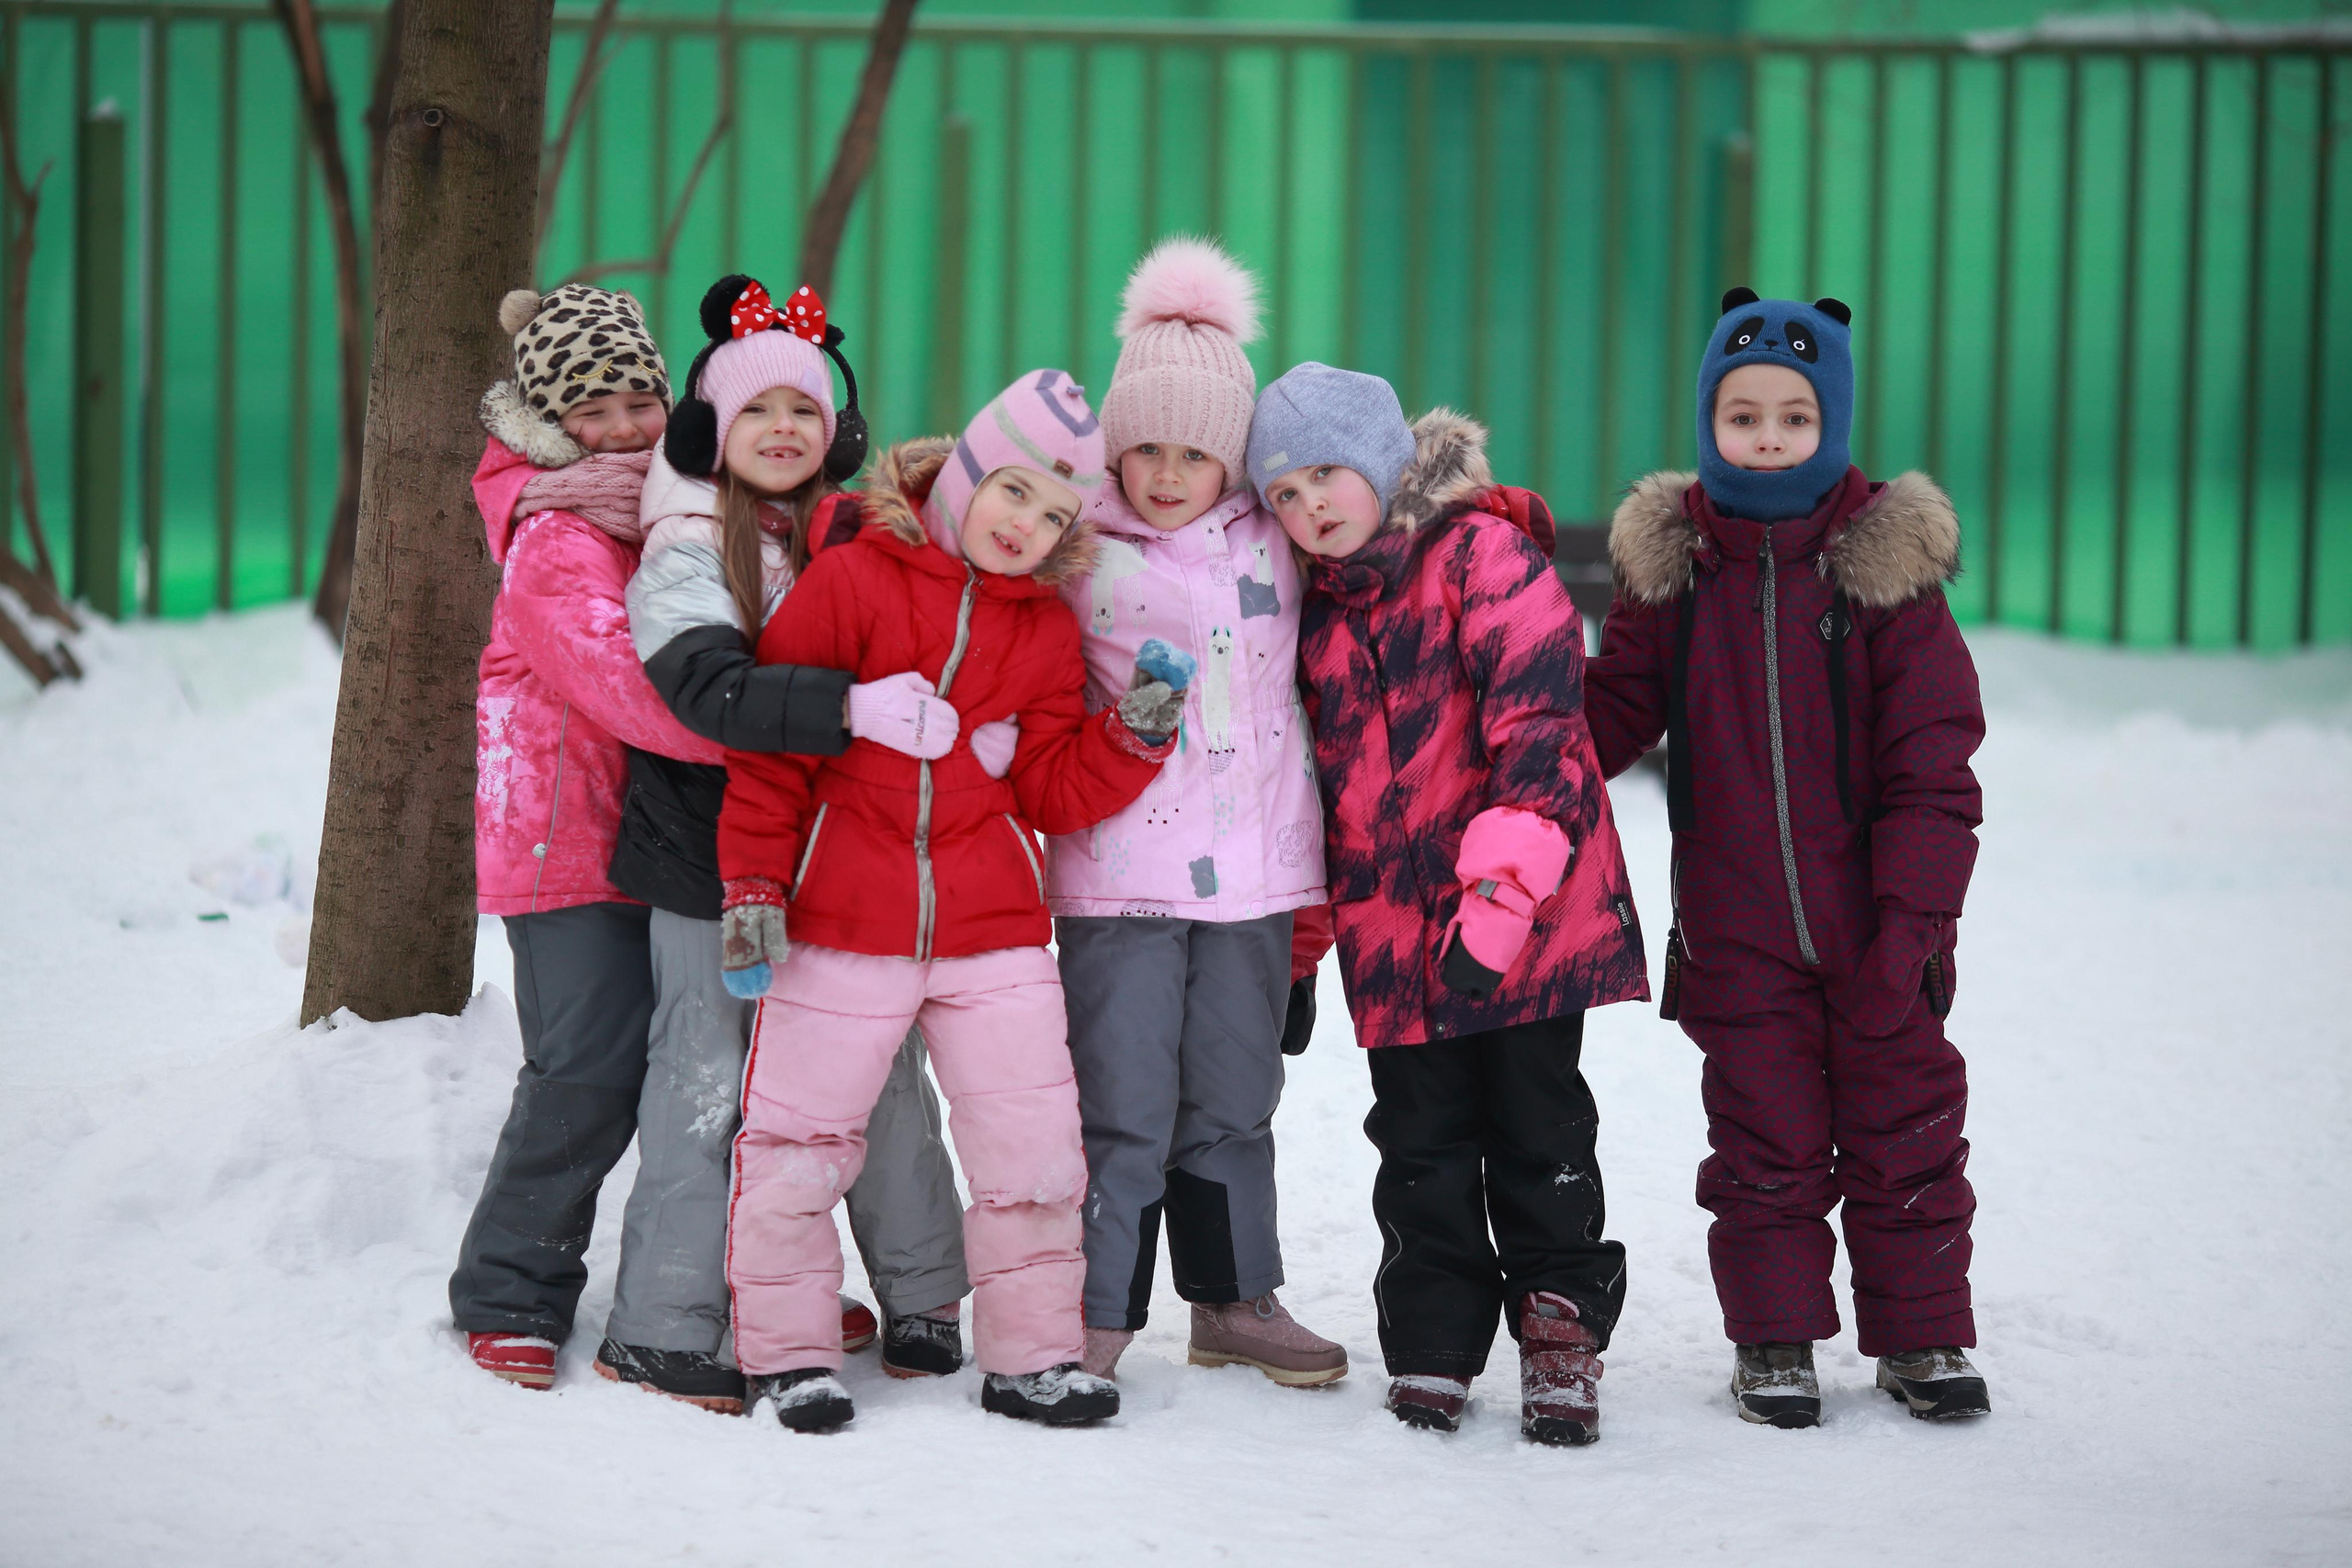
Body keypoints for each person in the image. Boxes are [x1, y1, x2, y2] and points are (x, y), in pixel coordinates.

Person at [716, 369, 1186, 1432]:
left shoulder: (1044, 629)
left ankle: (1034, 1359)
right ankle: (787, 1360)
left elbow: (1050, 789)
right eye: (1014, 492)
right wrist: (753, 887)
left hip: (991, 928)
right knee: (797, 1148)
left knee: (1033, 1154)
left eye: (1054, 514)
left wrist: (1132, 734)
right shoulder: (851, 582)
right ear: (967, 477)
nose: (1026, 526)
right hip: (841, 921)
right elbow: (773, 754)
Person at [1586, 289, 1990, 1427]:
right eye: (1743, 415)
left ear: (1833, 423)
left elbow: (1935, 761)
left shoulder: (1884, 579)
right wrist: (1511, 732)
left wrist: (1914, 920)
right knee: (1762, 1141)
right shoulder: (1677, 572)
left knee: (1908, 1133)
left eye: (1794, 418)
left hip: (1879, 927)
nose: (1767, 437)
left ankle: (1920, 1336)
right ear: (1708, 422)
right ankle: (1773, 1339)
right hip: (1736, 929)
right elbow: (1611, 711)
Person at [1249, 364, 1647, 1444]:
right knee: (1419, 1146)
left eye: (1326, 475)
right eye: (1284, 493)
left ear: (1383, 462)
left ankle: (1559, 1337)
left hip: (1528, 928)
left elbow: (1541, 736)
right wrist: (1298, 949)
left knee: (1536, 1129)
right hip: (1392, 941)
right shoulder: (1314, 612)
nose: (1310, 506)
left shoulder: (1484, 557)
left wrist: (1500, 905)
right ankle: (1432, 1343)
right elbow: (1307, 797)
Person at [603, 275, 978, 1410]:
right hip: (705, 863)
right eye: (756, 410)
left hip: (849, 859)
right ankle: (664, 1321)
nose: (781, 429)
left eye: (803, 410)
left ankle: (924, 1295)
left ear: (837, 430)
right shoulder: (684, 547)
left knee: (881, 1077)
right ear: (710, 429)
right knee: (708, 1081)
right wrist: (853, 711)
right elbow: (704, 692)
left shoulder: (861, 540)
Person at [1046, 238, 1344, 1387]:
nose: (1169, 475)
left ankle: (1231, 1301)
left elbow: (1385, 535)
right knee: (1122, 1106)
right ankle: (1094, 1315)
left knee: (1231, 1101)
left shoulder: (1281, 534)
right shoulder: (1076, 544)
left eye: (1197, 452)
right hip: (1117, 875)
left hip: (1256, 878)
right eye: (1147, 448)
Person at [452, 283, 748, 1395]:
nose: (623, 426)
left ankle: (733, 1279)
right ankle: (509, 1290)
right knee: (588, 1067)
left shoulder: (682, 510)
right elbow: (629, 686)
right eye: (593, 408)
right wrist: (775, 737)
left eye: (640, 401)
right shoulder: (556, 535)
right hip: (563, 844)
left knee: (701, 1066)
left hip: (662, 837)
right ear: (547, 420)